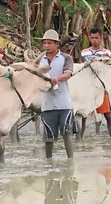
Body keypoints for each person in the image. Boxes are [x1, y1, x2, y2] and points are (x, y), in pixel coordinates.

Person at [35, 29, 74, 159]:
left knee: (67, 132)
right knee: (48, 136)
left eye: (49, 43)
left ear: (57, 44)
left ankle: (70, 161)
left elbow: (68, 74)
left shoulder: (66, 58)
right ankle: (48, 162)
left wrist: (56, 79)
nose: (46, 46)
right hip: (47, 103)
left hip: (64, 102)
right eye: (44, 43)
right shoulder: (40, 59)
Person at [80, 27, 111, 138]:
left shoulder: (106, 53)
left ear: (101, 38)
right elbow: (81, 67)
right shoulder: (84, 52)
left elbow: (110, 67)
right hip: (87, 88)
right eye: (92, 38)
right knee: (83, 116)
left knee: (108, 115)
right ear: (89, 38)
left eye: (96, 38)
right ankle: (79, 140)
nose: (94, 40)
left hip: (101, 88)